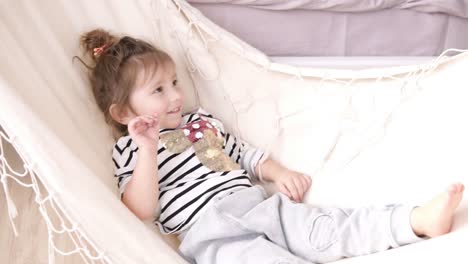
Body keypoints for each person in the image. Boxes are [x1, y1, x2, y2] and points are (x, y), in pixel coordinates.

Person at [79, 29, 465, 264]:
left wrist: (279, 173)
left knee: (327, 229)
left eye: (175, 82)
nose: (175, 95)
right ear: (122, 111)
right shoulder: (132, 150)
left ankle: (413, 221)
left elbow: (240, 157)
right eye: (159, 90)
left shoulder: (200, 126)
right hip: (214, 237)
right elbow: (140, 209)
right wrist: (147, 149)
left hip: (262, 207)